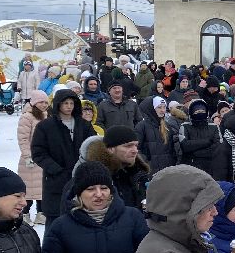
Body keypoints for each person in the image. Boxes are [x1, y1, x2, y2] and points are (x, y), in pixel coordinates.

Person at [30, 88, 96, 226]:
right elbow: (38, 152)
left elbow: (94, 146)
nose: (69, 106)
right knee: (55, 220)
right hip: (55, 179)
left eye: (72, 103)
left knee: (80, 218)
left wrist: (86, 167)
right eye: (65, 103)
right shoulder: (46, 126)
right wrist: (55, 169)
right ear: (58, 104)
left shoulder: (83, 125)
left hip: (81, 178)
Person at [85, 125, 151, 209]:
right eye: (128, 146)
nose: (135, 150)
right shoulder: (93, 178)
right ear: (111, 149)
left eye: (136, 145)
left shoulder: (139, 173)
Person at [15, 89, 49, 223]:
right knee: (28, 189)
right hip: (29, 159)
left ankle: (41, 213)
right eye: (41, 102)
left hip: (43, 158)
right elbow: (23, 138)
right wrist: (27, 156)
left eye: (46, 102)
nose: (44, 105)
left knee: (41, 189)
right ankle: (25, 214)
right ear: (34, 102)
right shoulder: (27, 116)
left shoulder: (45, 115)